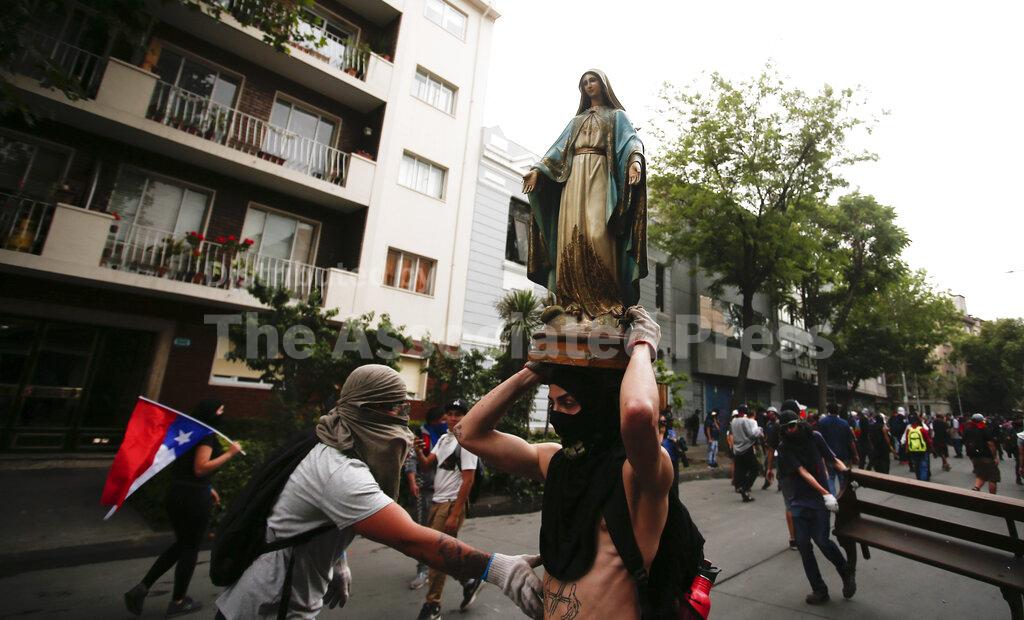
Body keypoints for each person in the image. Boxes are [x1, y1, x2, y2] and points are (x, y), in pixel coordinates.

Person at [213, 365, 544, 620]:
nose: (401, 418)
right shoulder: (339, 470)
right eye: (394, 409)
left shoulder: (329, 439)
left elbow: (312, 513)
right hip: (266, 608)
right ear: (366, 410)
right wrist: (497, 568)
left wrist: (336, 558)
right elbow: (409, 538)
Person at [454, 306, 709, 619]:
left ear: (600, 405)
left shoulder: (637, 475)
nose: (557, 413)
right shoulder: (554, 461)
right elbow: (469, 433)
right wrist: (536, 370)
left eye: (569, 402)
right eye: (553, 404)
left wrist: (643, 345)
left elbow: (638, 413)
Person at [522, 70, 647, 320]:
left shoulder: (616, 116)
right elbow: (557, 150)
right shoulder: (576, 121)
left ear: (603, 84)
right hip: (574, 178)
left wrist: (636, 162)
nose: (589, 85)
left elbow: (631, 141)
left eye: (593, 80)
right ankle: (571, 301)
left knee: (597, 233)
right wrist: (537, 170)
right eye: (585, 83)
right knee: (571, 233)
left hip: (600, 174)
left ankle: (607, 299)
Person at [124, 399, 242, 617]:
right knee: (190, 548)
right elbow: (200, 468)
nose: (222, 413)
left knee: (182, 544)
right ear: (211, 413)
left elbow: (187, 469)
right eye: (220, 409)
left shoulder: (189, 431)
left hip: (178, 492)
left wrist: (208, 488)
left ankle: (142, 588)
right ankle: (178, 601)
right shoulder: (205, 435)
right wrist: (230, 453)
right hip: (193, 499)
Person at [775, 404, 856, 606]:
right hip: (799, 500)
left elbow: (832, 459)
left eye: (792, 426)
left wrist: (848, 473)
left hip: (818, 501)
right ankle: (819, 590)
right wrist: (826, 492)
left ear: (800, 423)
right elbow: (802, 472)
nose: (789, 431)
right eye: (785, 428)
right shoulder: (784, 447)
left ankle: (846, 571)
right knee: (803, 545)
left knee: (822, 540)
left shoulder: (815, 437)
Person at [414, 399, 483, 619]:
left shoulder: (466, 443)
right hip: (437, 500)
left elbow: (468, 480)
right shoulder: (444, 439)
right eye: (450, 414)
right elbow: (427, 463)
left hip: (450, 504)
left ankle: (432, 605)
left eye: (458, 414)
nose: (453, 418)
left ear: (466, 417)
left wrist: (455, 513)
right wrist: (417, 451)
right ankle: (470, 580)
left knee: (437, 553)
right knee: (447, 553)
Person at [408, 406, 446, 590]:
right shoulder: (423, 436)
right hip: (427, 490)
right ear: (434, 420)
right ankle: (422, 570)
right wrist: (412, 481)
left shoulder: (449, 437)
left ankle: (453, 573)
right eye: (443, 419)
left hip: (445, 493)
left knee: (442, 534)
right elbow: (413, 460)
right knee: (423, 531)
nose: (446, 422)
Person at [762, 406, 796, 549]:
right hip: (794, 473)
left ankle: (794, 537)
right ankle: (798, 536)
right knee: (796, 505)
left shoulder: (776, 428)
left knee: (790, 506)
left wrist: (769, 468)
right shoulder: (800, 429)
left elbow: (770, 450)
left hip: (786, 473)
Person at [814, 404, 858, 494]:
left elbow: (818, 440)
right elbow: (851, 442)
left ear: (828, 411)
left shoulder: (822, 423)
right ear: (838, 411)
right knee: (843, 479)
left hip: (828, 456)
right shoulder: (844, 423)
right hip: (843, 456)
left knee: (830, 478)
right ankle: (843, 498)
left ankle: (833, 499)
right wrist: (855, 454)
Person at [730, 404, 763, 503]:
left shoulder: (733, 421)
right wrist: (759, 431)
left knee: (741, 469)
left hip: (737, 449)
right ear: (744, 412)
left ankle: (739, 486)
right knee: (755, 469)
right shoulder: (744, 421)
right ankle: (745, 488)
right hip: (747, 448)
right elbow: (751, 435)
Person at [963, 413, 1000, 494]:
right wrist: (995, 457)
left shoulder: (967, 429)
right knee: (992, 477)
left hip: (974, 456)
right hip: (986, 456)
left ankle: (976, 489)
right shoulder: (984, 429)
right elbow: (991, 444)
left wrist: (971, 456)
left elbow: (966, 443)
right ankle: (992, 498)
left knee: (981, 475)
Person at [901, 415, 932, 481]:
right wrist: (931, 447)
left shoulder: (909, 430)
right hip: (922, 450)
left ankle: (918, 478)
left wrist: (907, 449)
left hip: (913, 450)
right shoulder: (922, 429)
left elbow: (907, 440)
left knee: (916, 464)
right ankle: (924, 480)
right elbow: (928, 440)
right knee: (923, 464)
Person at [660, 413, 681, 501]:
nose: (663, 423)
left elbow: (677, 445)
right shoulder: (654, 433)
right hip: (659, 463)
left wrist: (675, 441)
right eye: (661, 422)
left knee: (673, 484)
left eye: (664, 421)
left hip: (672, 461)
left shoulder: (671, 433)